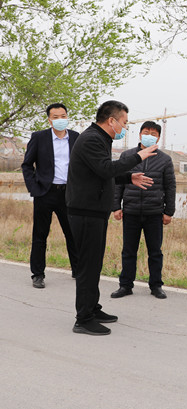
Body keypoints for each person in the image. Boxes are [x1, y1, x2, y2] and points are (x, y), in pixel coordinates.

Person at [66, 100, 158, 336]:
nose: (125, 127)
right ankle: (83, 319)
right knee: (88, 266)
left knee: (94, 264)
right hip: (85, 213)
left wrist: (129, 177)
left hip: (94, 212)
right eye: (124, 123)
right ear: (111, 120)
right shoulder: (91, 139)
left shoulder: (99, 138)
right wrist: (138, 156)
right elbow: (106, 169)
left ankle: (92, 308)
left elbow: (100, 172)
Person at [111, 121, 176, 300]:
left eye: (153, 134)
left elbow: (170, 186)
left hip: (154, 212)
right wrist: (116, 206)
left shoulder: (164, 159)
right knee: (128, 251)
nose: (149, 136)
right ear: (140, 135)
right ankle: (125, 285)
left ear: (158, 138)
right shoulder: (128, 156)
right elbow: (118, 183)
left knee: (155, 252)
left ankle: (156, 286)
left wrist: (169, 212)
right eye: (146, 132)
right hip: (130, 210)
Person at [21, 103, 79, 288]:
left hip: (68, 194)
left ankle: (78, 270)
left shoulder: (76, 138)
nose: (60, 119)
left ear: (67, 117)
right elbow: (27, 165)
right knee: (40, 235)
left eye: (63, 116)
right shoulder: (39, 137)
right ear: (49, 120)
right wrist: (34, 188)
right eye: (55, 117)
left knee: (73, 234)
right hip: (45, 193)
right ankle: (38, 274)